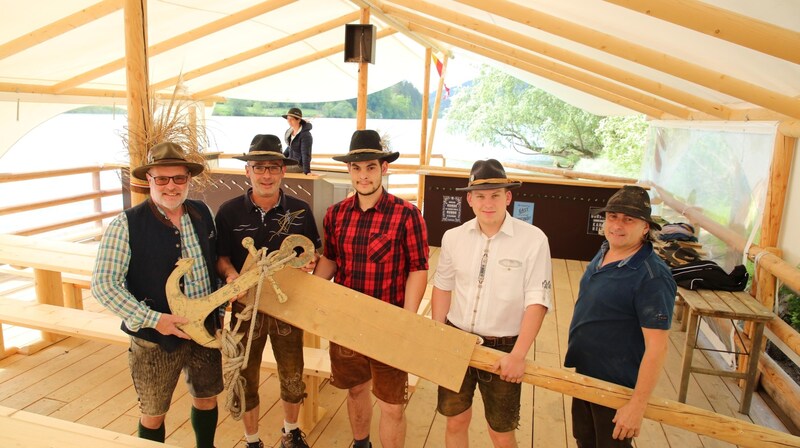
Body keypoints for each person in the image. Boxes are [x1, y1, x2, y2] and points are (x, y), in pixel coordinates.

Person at [91, 142, 222, 447]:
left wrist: (219, 313)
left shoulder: (202, 213)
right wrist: (154, 319)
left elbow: (210, 266)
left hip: (203, 329)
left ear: (189, 179)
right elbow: (104, 285)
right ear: (148, 179)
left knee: (206, 398)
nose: (171, 186)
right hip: (154, 339)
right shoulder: (125, 225)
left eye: (178, 178)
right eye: (161, 178)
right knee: (153, 412)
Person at [313, 129, 429, 448]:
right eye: (357, 168)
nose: (363, 176)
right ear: (349, 170)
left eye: (371, 167)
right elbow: (331, 261)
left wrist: (408, 319)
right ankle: (360, 443)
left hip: (390, 324)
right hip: (347, 322)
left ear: (384, 168)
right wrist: (306, 290)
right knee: (355, 390)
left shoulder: (407, 215)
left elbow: (419, 268)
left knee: (392, 405)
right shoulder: (335, 216)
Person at [431, 159, 552, 448]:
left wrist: (518, 355)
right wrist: (438, 334)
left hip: (504, 350)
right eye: (481, 196)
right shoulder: (453, 237)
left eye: (496, 195)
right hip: (456, 339)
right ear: (469, 199)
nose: (489, 203)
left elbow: (537, 301)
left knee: (500, 432)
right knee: (455, 420)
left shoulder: (534, 240)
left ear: (508, 197)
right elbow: (443, 286)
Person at [216, 134, 321, 448]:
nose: (265, 175)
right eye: (258, 167)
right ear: (247, 171)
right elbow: (220, 258)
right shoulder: (228, 212)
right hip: (244, 307)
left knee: (292, 374)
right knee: (245, 376)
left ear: (283, 171)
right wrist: (232, 275)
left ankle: (291, 430)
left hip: (288, 306)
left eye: (272, 168)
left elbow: (311, 253)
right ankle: (252, 440)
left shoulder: (301, 211)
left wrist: (308, 264)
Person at [564, 185, 676, 448]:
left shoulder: (652, 277)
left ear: (646, 227)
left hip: (617, 386)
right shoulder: (606, 251)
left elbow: (657, 347)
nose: (618, 224)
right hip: (587, 374)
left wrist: (636, 405)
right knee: (585, 440)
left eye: (629, 219)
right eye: (613, 216)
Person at [282, 107, 313, 175]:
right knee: (273, 166)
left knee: (277, 169)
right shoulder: (290, 132)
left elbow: (306, 154)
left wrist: (307, 172)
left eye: (292, 119)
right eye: (288, 119)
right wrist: (279, 158)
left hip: (299, 165)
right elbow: (289, 148)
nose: (289, 121)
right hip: (290, 162)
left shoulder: (306, 135)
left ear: (298, 120)